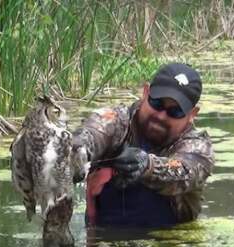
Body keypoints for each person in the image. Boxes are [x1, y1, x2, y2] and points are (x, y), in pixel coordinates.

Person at [72, 62, 214, 228]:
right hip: (104, 239)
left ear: (192, 114)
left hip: (171, 245)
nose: (161, 116)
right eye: (157, 103)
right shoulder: (115, 122)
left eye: (175, 111)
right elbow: (91, 134)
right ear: (146, 92)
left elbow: (185, 170)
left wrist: (147, 165)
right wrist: (75, 155)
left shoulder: (198, 147)